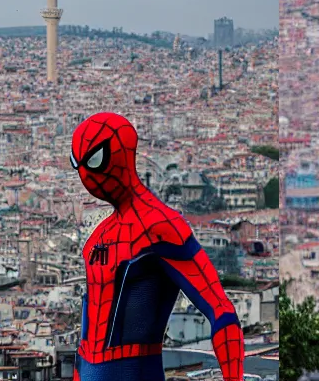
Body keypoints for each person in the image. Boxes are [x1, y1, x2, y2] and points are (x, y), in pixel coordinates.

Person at [71, 113, 244, 381]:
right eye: (77, 164)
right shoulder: (97, 237)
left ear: (122, 154)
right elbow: (88, 329)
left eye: (93, 160)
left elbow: (220, 309)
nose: (85, 175)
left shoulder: (160, 226)